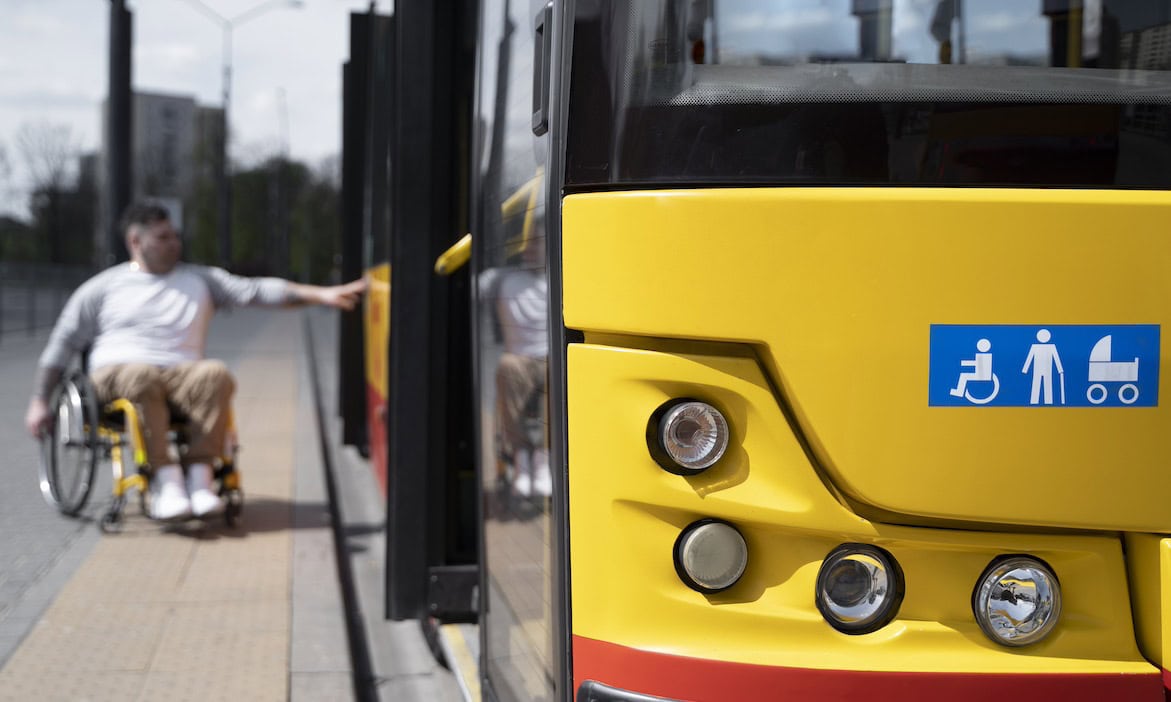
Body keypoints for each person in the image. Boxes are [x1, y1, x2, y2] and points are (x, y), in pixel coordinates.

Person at [24, 202, 366, 520]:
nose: (174, 243)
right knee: (141, 375)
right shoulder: (102, 288)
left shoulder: (200, 280)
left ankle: (200, 478)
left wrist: (322, 295)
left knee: (216, 373)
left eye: (175, 236)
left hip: (180, 375)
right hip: (117, 375)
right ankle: (165, 480)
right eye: (163, 237)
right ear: (135, 241)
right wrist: (40, 400)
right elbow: (63, 343)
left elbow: (258, 291)